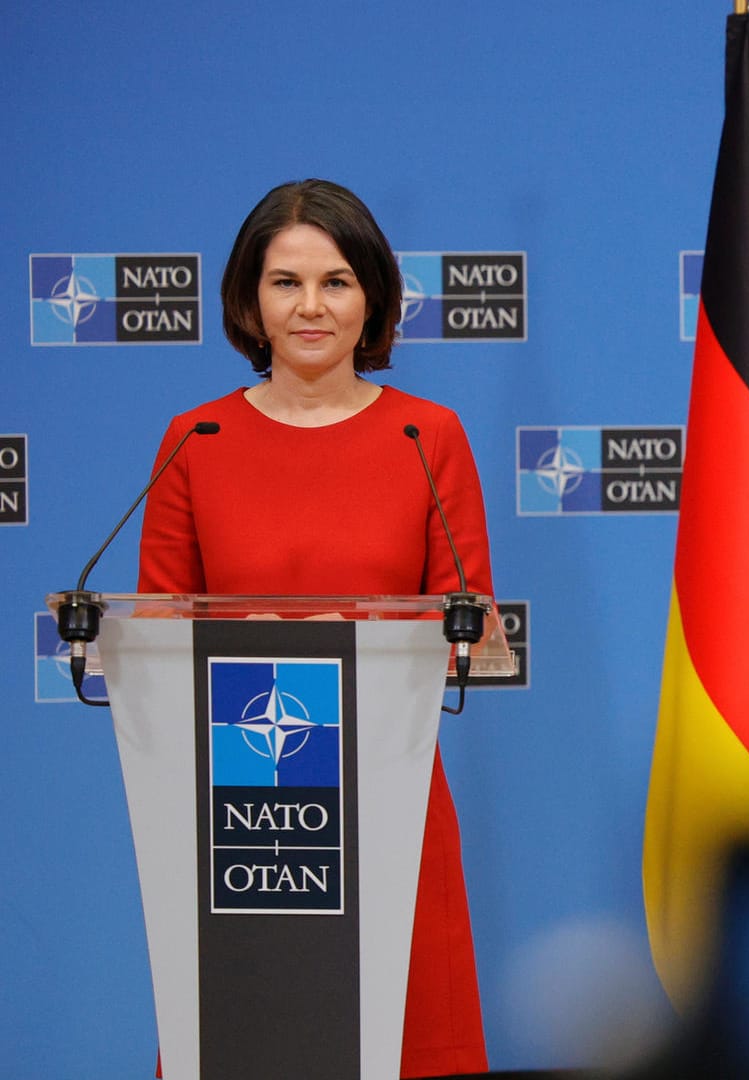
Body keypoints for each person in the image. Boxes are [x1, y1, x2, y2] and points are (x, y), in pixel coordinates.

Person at [138, 179, 491, 1077]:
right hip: (245, 807)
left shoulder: (427, 435)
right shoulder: (197, 438)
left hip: (391, 787)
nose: (311, 307)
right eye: (285, 282)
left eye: (335, 281)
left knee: (406, 1036)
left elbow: (475, 629)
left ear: (371, 296)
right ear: (249, 303)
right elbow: (153, 633)